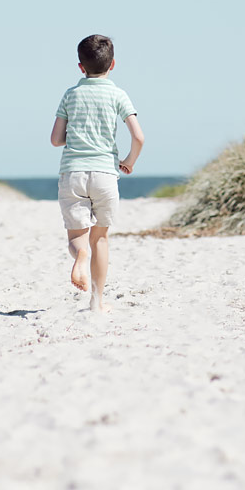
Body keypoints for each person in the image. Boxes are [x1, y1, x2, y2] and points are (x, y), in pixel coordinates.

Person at [49, 34, 144, 312]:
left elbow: (56, 139)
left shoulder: (71, 94)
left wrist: (77, 136)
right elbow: (138, 137)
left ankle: (80, 256)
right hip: (105, 173)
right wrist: (129, 161)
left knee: (77, 237)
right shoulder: (118, 94)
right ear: (112, 64)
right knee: (100, 237)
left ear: (80, 67)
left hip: (74, 172)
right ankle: (97, 302)